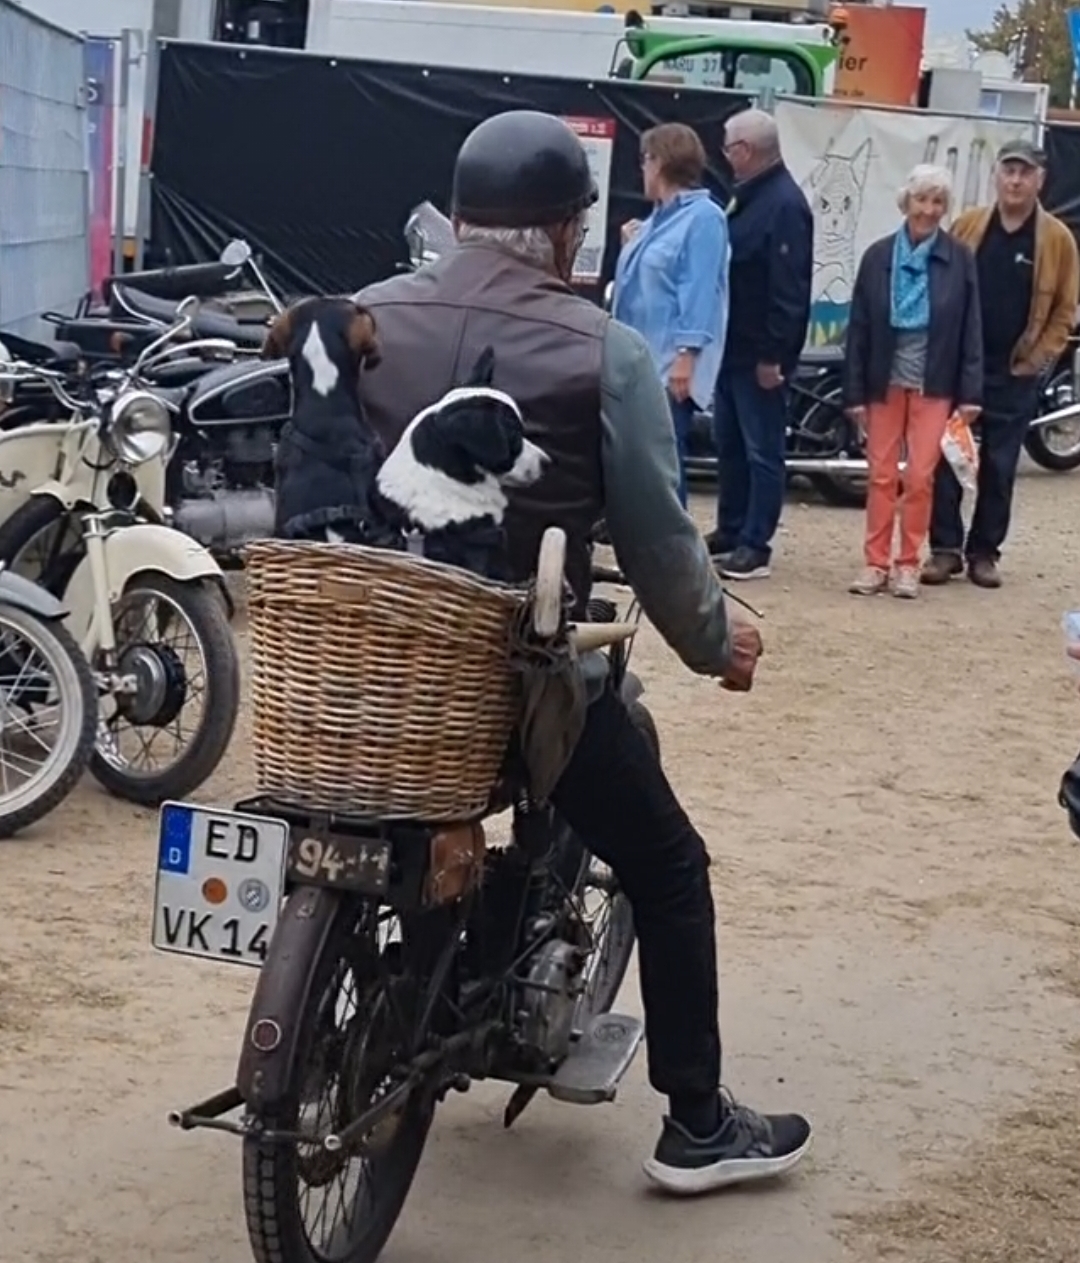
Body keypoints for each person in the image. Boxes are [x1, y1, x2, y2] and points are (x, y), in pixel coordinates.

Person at [354, 110, 811, 1192]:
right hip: (512, 682)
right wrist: (715, 642)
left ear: (457, 215)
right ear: (569, 230)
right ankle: (697, 1123)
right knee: (669, 865)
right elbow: (656, 537)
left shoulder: (366, 313)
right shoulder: (606, 352)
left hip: (368, 668)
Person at [923, 139, 1080, 589]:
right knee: (946, 460)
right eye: (1008, 171)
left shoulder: (1057, 240)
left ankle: (984, 553)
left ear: (1040, 180)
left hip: (1015, 371)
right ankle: (945, 550)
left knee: (1000, 465)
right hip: (961, 367)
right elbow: (942, 285)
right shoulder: (969, 226)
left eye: (1024, 173)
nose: (1015, 181)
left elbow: (1065, 309)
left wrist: (1039, 357)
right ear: (996, 176)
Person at [843, 165, 983, 599]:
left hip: (934, 382)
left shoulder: (959, 258)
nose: (928, 209)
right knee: (881, 475)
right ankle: (875, 563)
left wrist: (971, 392)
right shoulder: (878, 256)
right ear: (906, 202)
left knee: (921, 477)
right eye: (921, 199)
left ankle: (908, 563)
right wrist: (854, 392)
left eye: (937, 201)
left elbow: (971, 328)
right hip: (883, 380)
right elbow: (859, 328)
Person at [707, 107, 813, 581]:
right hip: (731, 349)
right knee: (729, 446)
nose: (724, 156)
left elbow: (789, 291)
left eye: (728, 147)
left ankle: (755, 543)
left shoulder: (784, 205)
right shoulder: (747, 197)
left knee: (762, 452)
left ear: (745, 150)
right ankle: (730, 528)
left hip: (759, 357)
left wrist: (775, 356)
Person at [612, 123, 729, 508]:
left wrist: (686, 354)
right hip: (639, 360)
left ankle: (673, 540)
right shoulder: (655, 220)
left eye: (645, 160)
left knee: (663, 461)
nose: (642, 169)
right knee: (641, 460)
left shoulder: (704, 218)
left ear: (660, 162)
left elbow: (698, 287)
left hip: (668, 363)